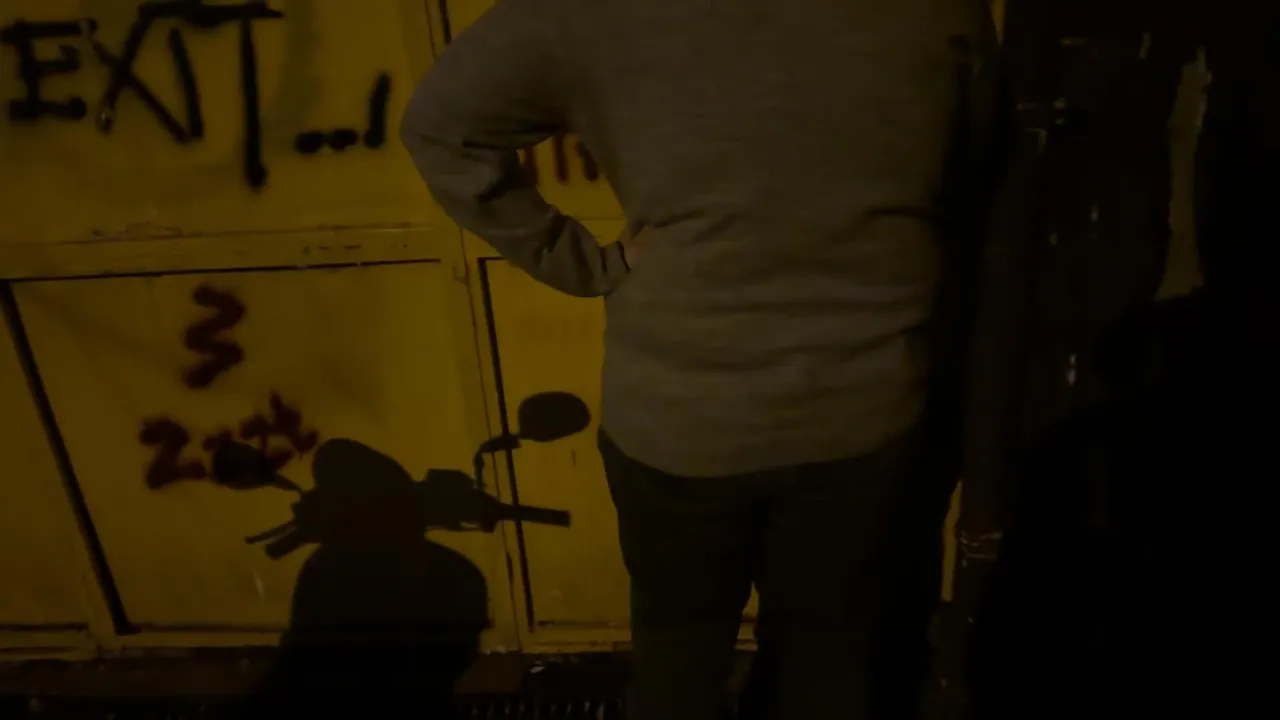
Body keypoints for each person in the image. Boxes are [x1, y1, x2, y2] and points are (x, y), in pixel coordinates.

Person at [401, 1, 1008, 717]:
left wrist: (582, 264)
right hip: (864, 407)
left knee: (679, 654)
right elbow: (978, 175)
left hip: (681, 414)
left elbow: (441, 126)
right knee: (832, 658)